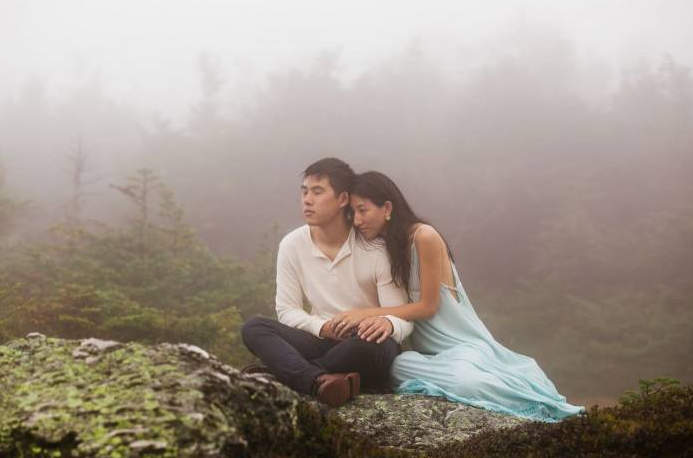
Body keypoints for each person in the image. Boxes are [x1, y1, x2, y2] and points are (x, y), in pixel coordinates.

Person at [330, 171, 583, 422]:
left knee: (465, 381)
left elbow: (428, 307)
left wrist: (364, 314)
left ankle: (537, 406)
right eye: (353, 213)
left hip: (462, 347)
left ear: (387, 208)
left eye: (363, 210)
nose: (357, 220)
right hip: (426, 357)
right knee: (395, 367)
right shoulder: (384, 249)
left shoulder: (424, 236)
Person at [240, 159, 413, 408]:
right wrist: (323, 328)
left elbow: (403, 318)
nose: (307, 200)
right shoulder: (292, 244)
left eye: (318, 192)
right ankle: (321, 381)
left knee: (372, 345)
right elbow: (287, 310)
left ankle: (291, 376)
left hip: (366, 342)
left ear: (343, 199)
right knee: (254, 328)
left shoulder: (375, 247)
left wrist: (386, 323)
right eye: (304, 192)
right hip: (319, 338)